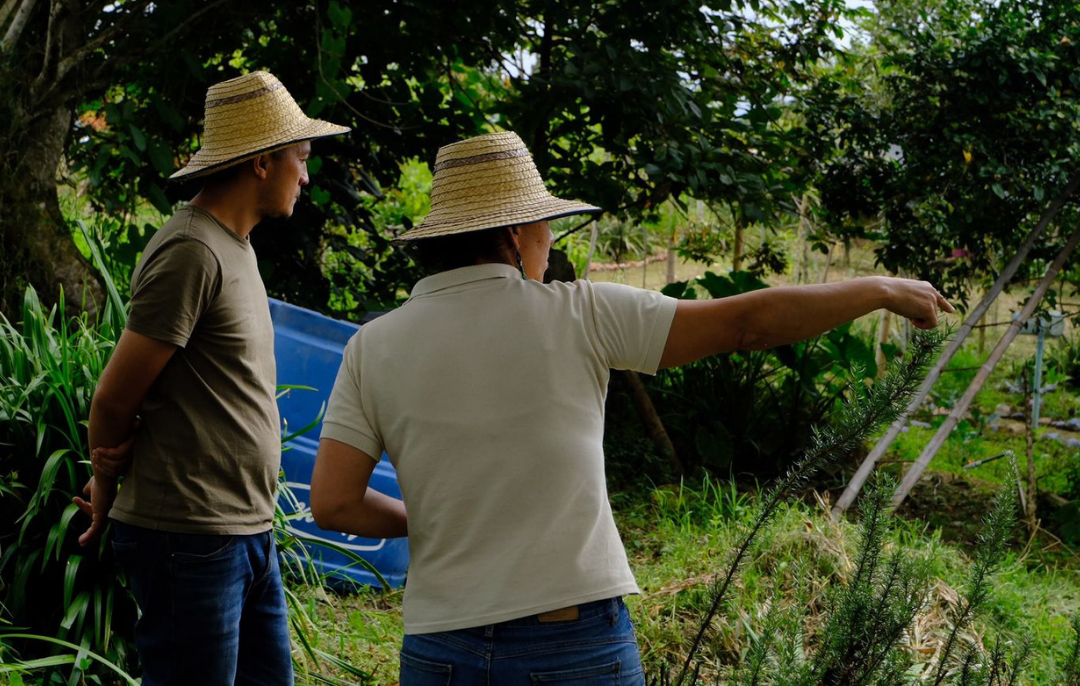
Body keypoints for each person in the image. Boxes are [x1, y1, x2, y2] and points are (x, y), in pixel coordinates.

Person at [309, 131, 952, 686]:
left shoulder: (374, 344)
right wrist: (879, 287)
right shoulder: (579, 313)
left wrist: (434, 521)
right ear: (513, 233)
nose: (548, 243)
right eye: (544, 227)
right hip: (569, 639)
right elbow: (748, 325)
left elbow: (334, 503)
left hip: (437, 646)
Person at [75, 70, 348, 686]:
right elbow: (115, 399)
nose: (305, 176)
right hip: (189, 537)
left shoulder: (237, 247)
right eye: (299, 159)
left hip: (243, 529)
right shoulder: (191, 251)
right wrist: (106, 485)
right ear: (261, 162)